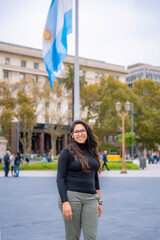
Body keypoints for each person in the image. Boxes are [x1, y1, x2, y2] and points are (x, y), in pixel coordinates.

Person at [57, 120, 102, 240]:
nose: (80, 134)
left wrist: (99, 201)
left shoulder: (92, 151)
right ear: (72, 135)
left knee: (91, 237)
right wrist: (64, 202)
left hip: (91, 198)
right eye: (76, 131)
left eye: (82, 130)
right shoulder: (66, 152)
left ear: (87, 132)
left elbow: (95, 178)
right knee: (73, 236)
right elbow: (60, 179)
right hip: (71, 197)